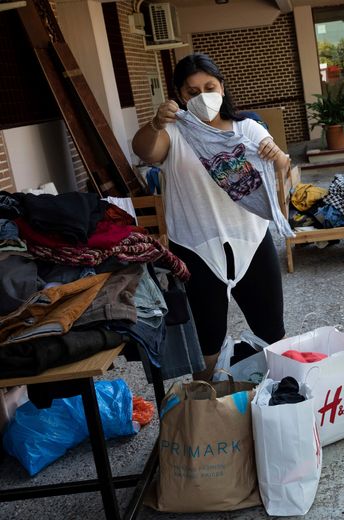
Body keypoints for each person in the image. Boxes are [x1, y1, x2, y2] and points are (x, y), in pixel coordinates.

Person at [132, 53, 289, 380]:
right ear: (179, 95)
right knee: (207, 344)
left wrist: (278, 158)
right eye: (192, 91)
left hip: (251, 241)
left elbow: (278, 160)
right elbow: (144, 150)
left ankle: (278, 402)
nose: (202, 96)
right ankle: (211, 412)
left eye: (209, 86)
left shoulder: (247, 128)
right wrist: (157, 122)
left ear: (222, 86)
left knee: (273, 335)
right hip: (195, 247)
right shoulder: (173, 135)